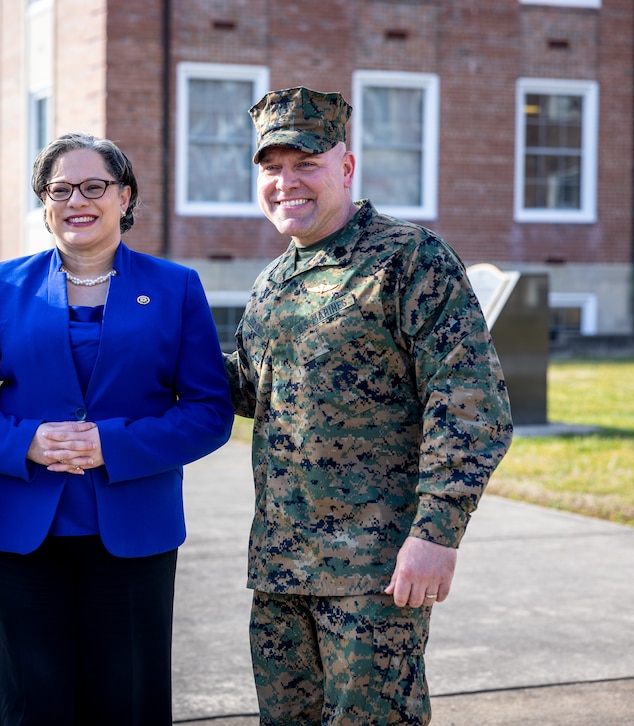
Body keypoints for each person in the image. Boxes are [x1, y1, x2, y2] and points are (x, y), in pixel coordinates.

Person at [226, 86, 513, 724]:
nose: (286, 182)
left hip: (374, 572)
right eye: (271, 168)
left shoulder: (409, 261)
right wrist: (145, 351)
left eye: (306, 164)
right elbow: (250, 388)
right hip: (281, 570)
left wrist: (437, 532)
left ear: (346, 168)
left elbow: (469, 403)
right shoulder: (274, 282)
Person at [0, 132, 234, 725]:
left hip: (134, 529)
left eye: (94, 186)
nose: (78, 200)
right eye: (60, 189)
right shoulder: (3, 285)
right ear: (44, 204)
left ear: (124, 197)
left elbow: (209, 412)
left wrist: (113, 444)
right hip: (28, 532)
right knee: (32, 707)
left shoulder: (175, 287)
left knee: (127, 702)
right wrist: (26, 442)